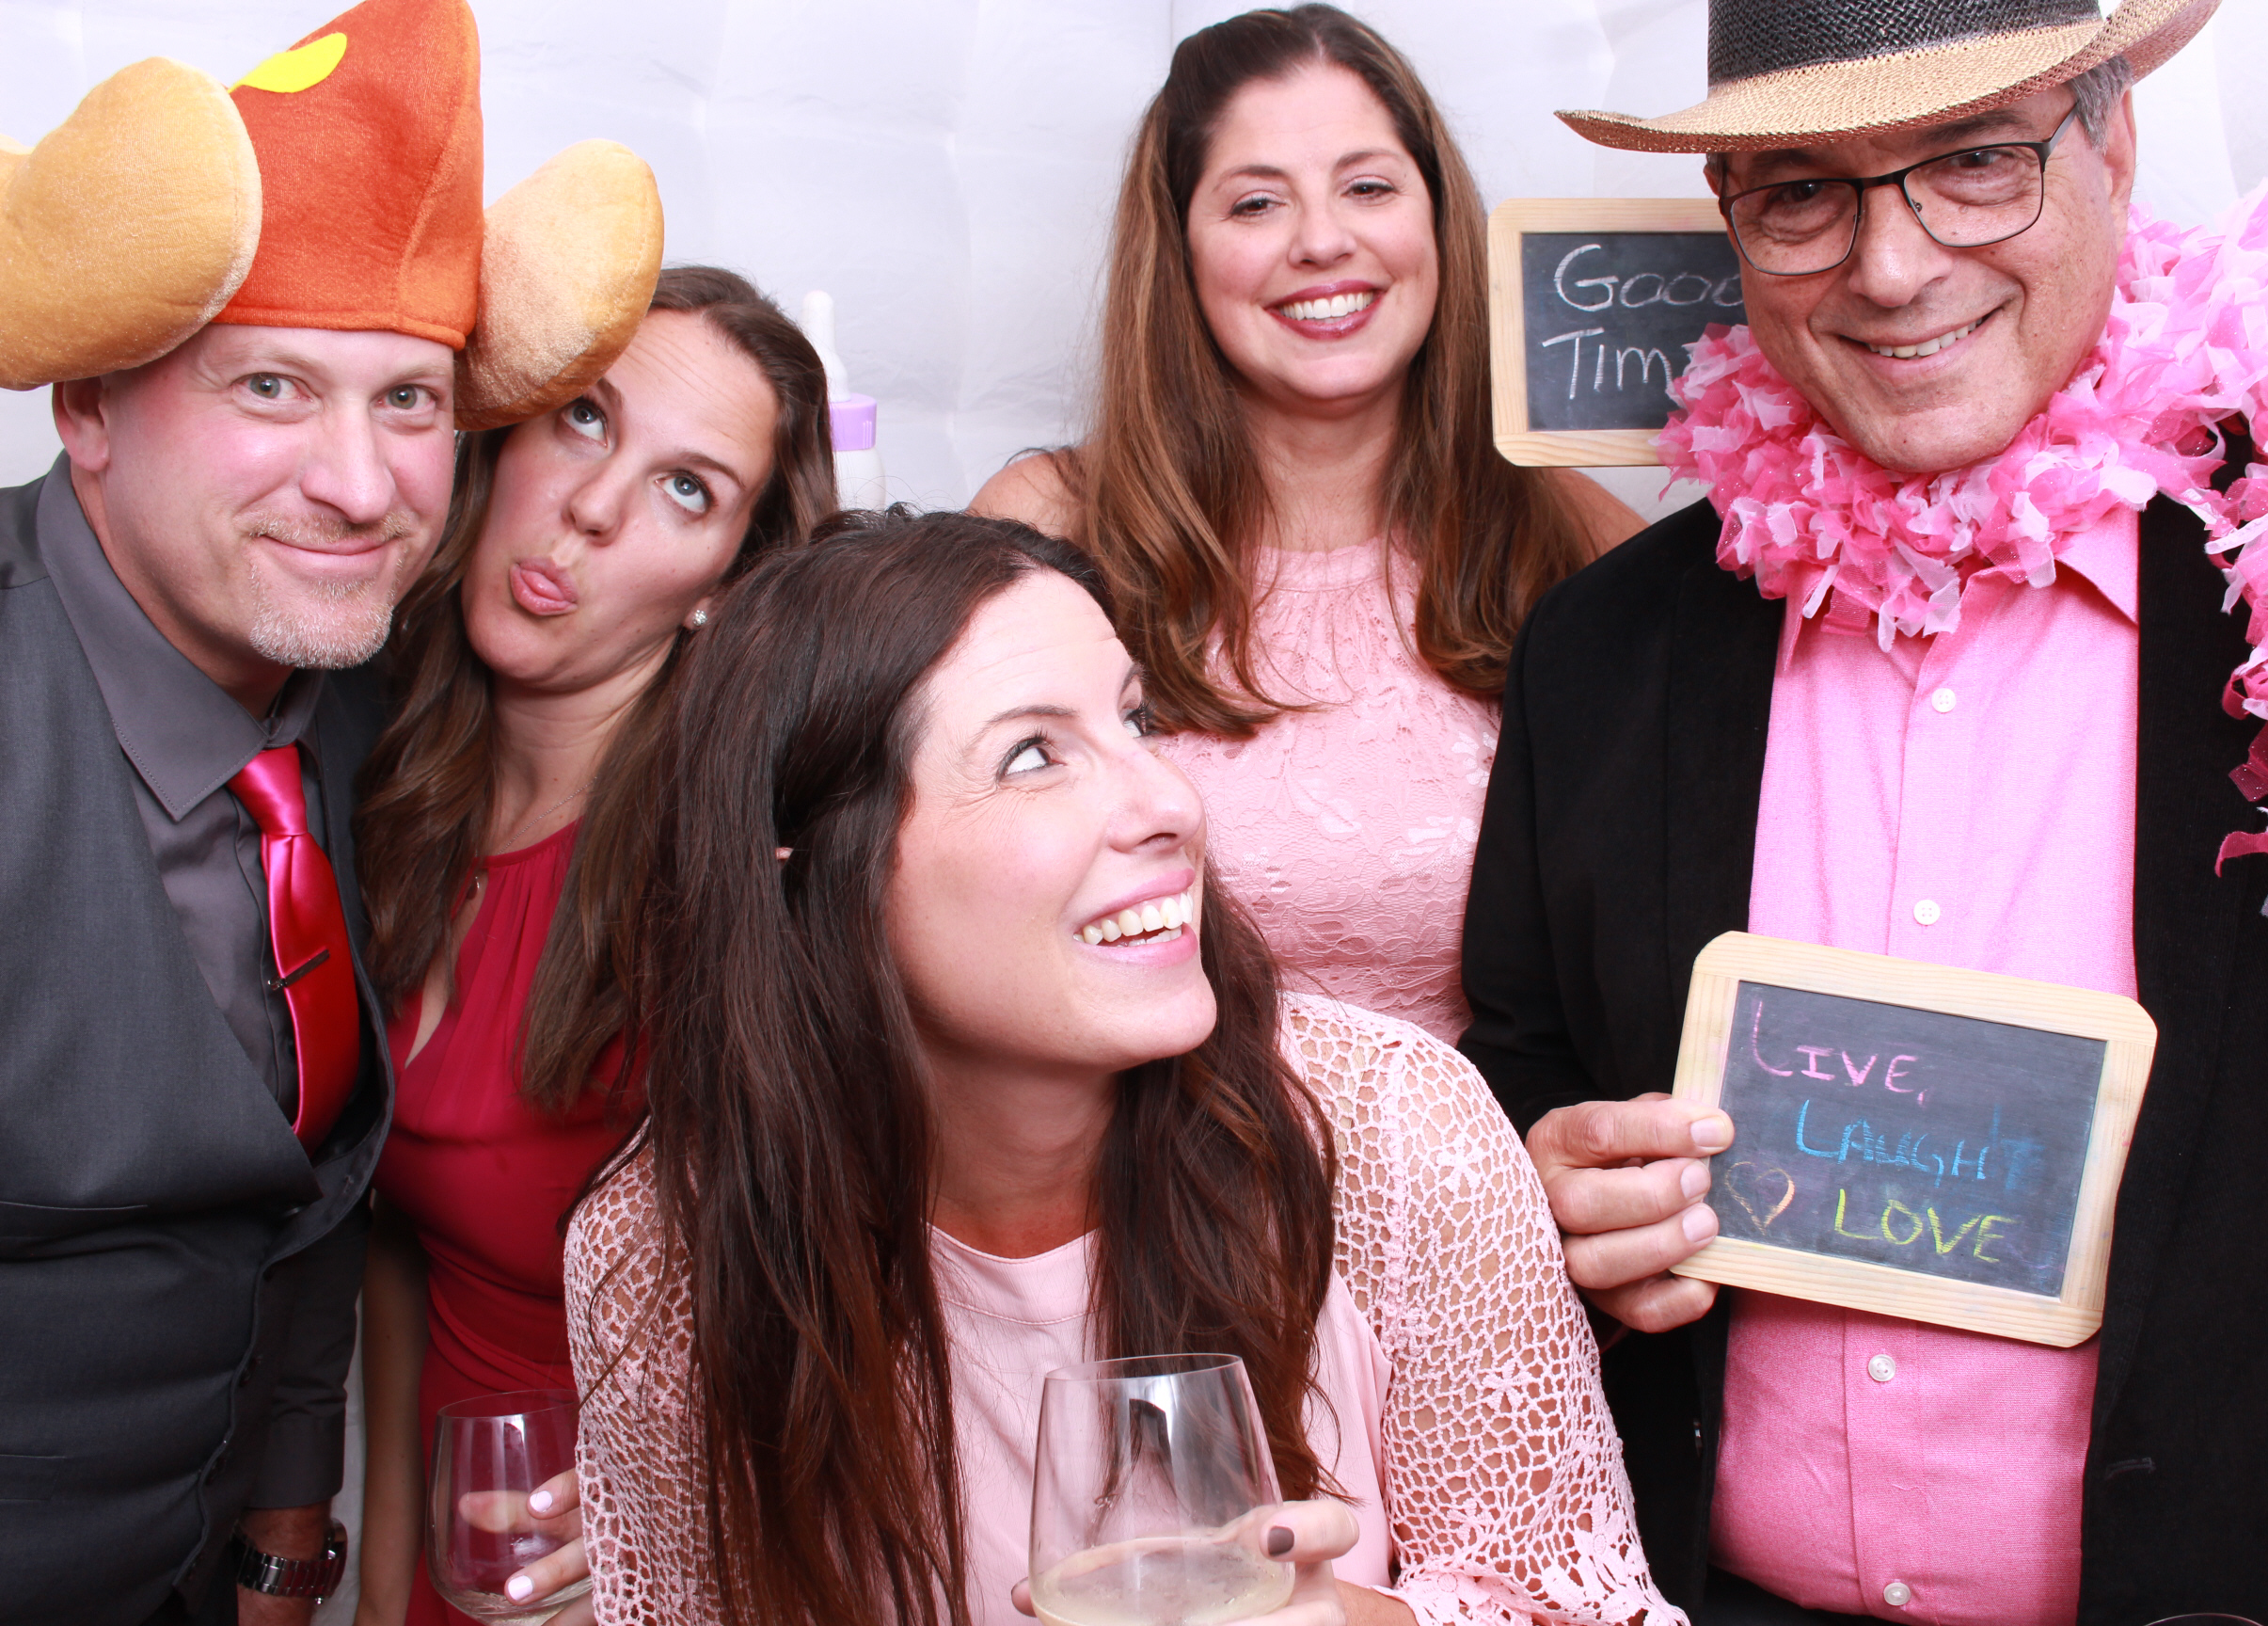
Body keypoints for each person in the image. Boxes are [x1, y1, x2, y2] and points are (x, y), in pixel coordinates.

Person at [1461, 0, 2268, 1621]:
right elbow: (1522, 1059)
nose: (1893, 267)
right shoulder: (1602, 648)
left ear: (2110, 146)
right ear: (1730, 217)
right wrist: (1544, 1190)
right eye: (1801, 191)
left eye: (1976, 161)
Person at [562, 509, 1685, 1626]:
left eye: (1135, 721)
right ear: (808, 859)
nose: (1171, 803)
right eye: (1033, 755)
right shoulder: (661, 1251)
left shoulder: (1392, 1135)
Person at [0, 0, 658, 1620]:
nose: (362, 488)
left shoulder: (369, 699)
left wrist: (290, 1539)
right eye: (274, 387)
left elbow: (293, 1202)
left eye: (411, 402)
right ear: (87, 407)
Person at [974, 6, 1642, 1044]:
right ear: (1181, 250)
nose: (1323, 241)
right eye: (1256, 203)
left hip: (1482, 1146)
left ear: (1437, 219)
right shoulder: (1048, 528)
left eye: (1368, 187)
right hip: (1141, 1142)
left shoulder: (1574, 536)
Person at [346, 266, 833, 1626]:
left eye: (688, 489)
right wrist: (382, 1591)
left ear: (723, 586)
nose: (596, 507)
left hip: (671, 1579)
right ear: (501, 432)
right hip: (462, 1561)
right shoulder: (377, 785)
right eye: (584, 420)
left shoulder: (728, 884)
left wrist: (654, 1540)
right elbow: (400, 1249)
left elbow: (856, 1316)